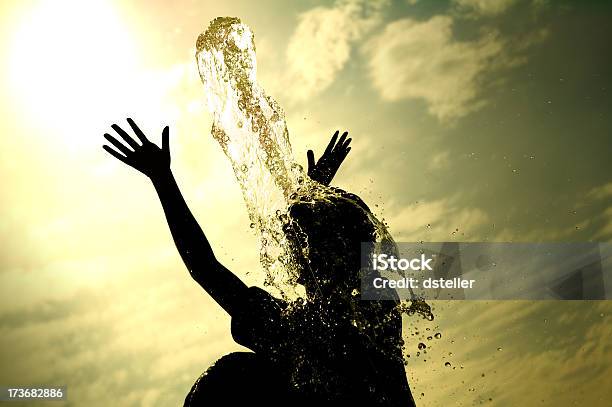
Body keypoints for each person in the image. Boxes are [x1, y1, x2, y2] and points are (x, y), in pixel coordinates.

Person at [103, 118, 416, 406]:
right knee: (232, 374)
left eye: (308, 254)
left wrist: (162, 179)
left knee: (232, 374)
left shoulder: (315, 325)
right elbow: (205, 268)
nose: (299, 267)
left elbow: (204, 268)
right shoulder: (360, 310)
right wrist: (314, 193)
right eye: (302, 255)